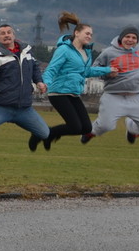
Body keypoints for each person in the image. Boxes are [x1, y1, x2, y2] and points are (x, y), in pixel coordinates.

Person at [41, 13, 116, 150]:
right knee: (75, 126)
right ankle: (46, 135)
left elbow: (86, 72)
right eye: (87, 33)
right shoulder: (64, 49)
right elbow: (51, 69)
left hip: (74, 93)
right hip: (59, 93)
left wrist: (107, 70)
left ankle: (50, 135)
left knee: (86, 127)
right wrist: (46, 83)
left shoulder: (86, 53)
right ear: (76, 33)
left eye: (91, 35)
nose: (89, 36)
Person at [0, 24, 50, 148]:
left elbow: (35, 67)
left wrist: (39, 82)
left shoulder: (26, 51)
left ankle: (18, 119)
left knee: (45, 133)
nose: (6, 35)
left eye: (9, 32)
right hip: (2, 107)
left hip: (24, 108)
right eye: (2, 33)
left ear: (14, 35)